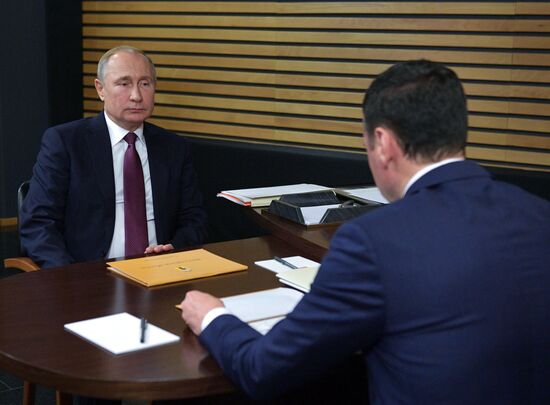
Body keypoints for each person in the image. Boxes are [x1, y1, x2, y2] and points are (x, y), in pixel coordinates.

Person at [179, 60, 550, 404]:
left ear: (383, 143)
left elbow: (263, 369)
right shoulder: (539, 214)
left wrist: (212, 317)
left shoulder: (372, 240)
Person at [20, 46, 208, 269]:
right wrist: (69, 276)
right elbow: (38, 223)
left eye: (145, 83)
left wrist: (174, 249)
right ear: (100, 89)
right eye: (124, 84)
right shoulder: (66, 142)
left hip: (161, 272)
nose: (136, 96)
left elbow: (194, 219)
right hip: (89, 274)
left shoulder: (174, 147)